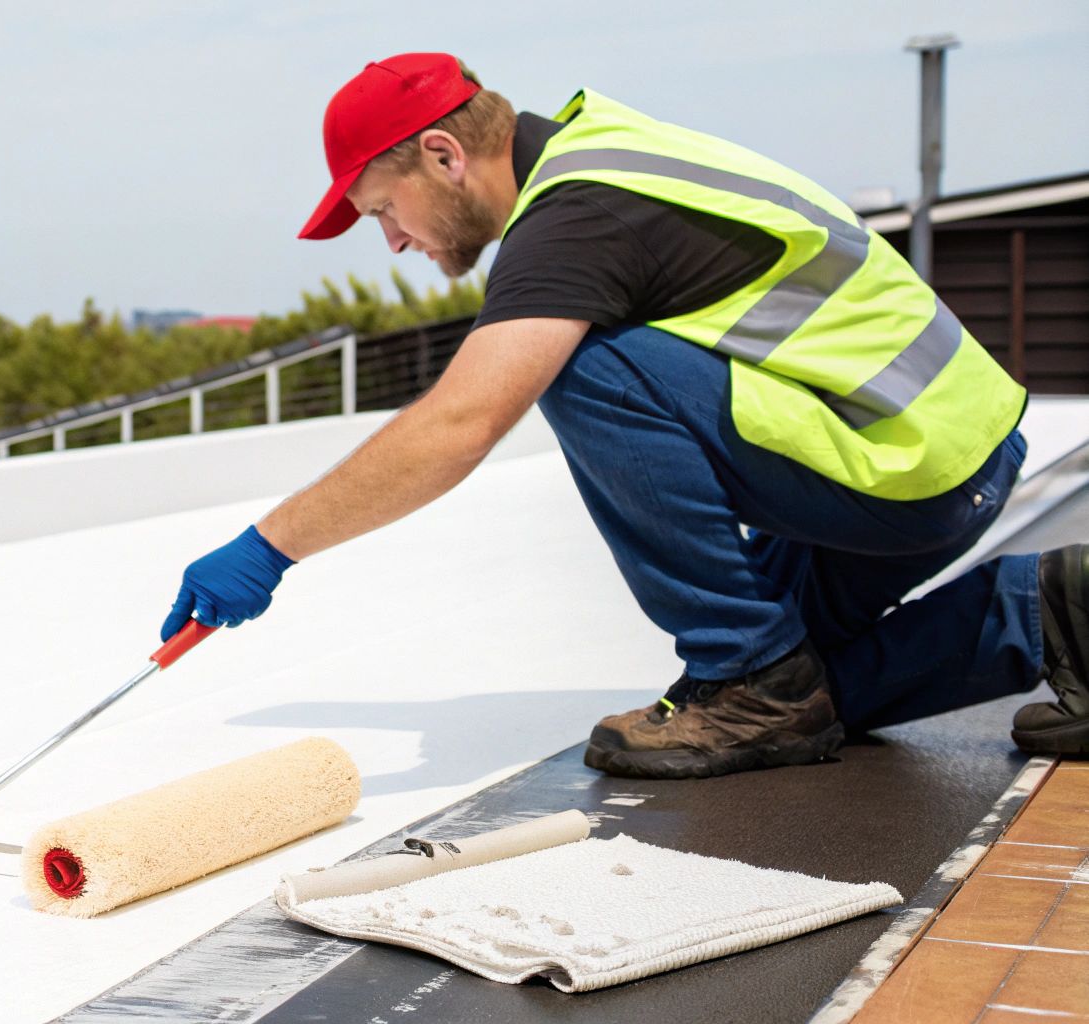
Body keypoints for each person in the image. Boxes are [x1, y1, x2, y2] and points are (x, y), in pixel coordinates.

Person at [159, 52, 1089, 779]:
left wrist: (272, 545)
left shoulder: (573, 218)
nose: (395, 239)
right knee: (809, 694)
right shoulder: (604, 144)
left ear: (442, 156)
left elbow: (461, 422)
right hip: (939, 446)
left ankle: (744, 668)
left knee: (586, 368)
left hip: (900, 466)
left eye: (383, 211)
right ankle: (1055, 612)